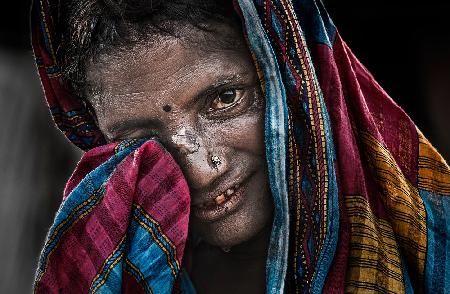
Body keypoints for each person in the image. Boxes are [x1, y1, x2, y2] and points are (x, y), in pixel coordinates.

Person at [31, 0, 450, 293]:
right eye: (138, 139)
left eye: (225, 99)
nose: (201, 170)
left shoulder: (433, 249)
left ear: (293, 80)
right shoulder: (103, 269)